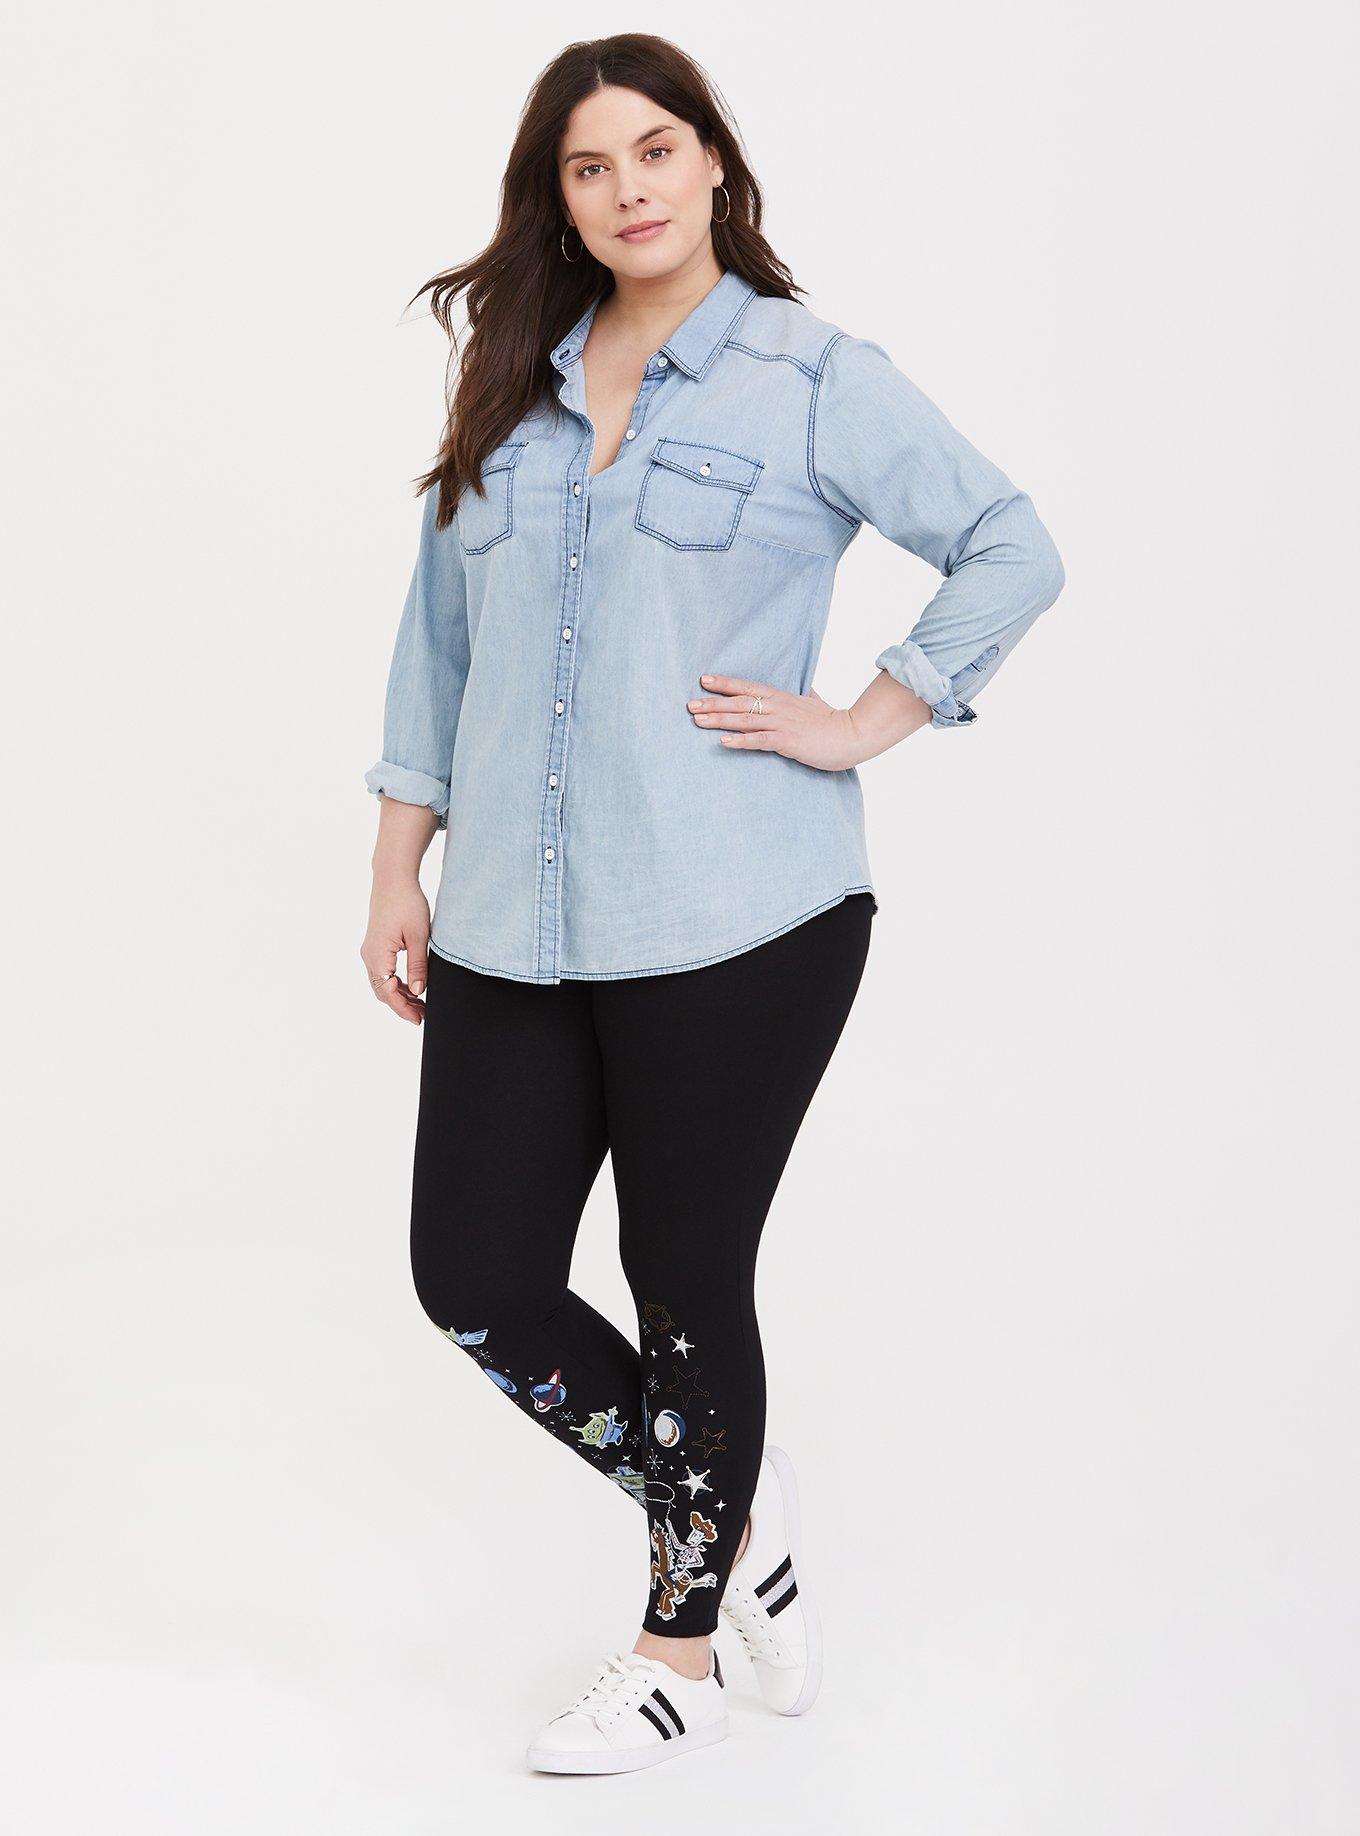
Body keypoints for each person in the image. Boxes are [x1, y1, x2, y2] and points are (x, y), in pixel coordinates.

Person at [361, 33, 1065, 1776]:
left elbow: (1011, 542)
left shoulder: (812, 377)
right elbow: (438, 645)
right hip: (512, 918)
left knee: (682, 1280)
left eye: (657, 150)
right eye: (591, 167)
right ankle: (736, 1513)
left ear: (716, 164)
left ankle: (676, 1649)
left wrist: (870, 716)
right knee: (475, 1277)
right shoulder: (512, 390)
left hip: (740, 912)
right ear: (559, 200)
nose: (631, 190)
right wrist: (396, 863)